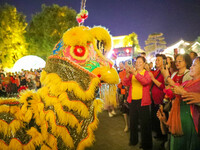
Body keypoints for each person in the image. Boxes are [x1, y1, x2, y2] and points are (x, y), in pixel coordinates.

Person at [161, 57, 200, 150]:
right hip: (179, 121)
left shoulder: (198, 84)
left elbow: (184, 92)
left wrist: (167, 77)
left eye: (194, 65)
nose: (191, 67)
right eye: (191, 65)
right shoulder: (187, 82)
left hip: (189, 124)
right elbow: (175, 90)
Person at [123, 56, 152, 150]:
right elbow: (125, 83)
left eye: (140, 62)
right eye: (137, 62)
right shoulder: (132, 74)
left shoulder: (147, 73)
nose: (138, 63)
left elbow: (145, 82)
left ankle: (146, 145)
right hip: (133, 101)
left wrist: (135, 73)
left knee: (145, 124)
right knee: (133, 122)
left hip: (143, 102)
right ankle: (133, 140)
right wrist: (127, 74)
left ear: (144, 64)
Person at [149, 54, 167, 140]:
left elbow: (163, 86)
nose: (156, 61)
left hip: (160, 99)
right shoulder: (156, 71)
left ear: (164, 61)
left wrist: (153, 79)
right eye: (156, 60)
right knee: (155, 117)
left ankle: (162, 137)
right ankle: (158, 134)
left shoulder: (165, 72)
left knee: (160, 117)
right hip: (153, 99)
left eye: (158, 60)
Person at [117, 61, 129, 131]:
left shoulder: (132, 72)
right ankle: (127, 125)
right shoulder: (119, 72)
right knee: (124, 106)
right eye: (120, 64)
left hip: (129, 92)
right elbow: (119, 82)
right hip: (123, 90)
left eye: (122, 64)